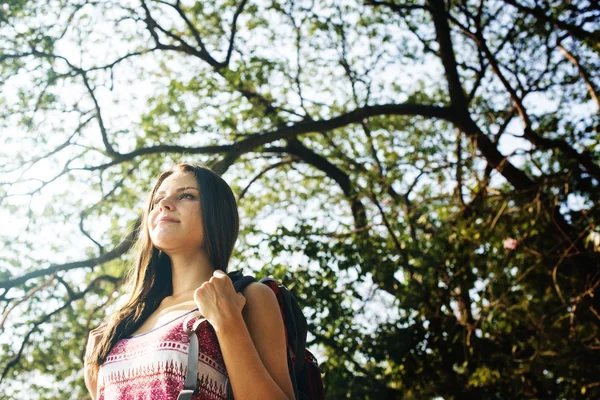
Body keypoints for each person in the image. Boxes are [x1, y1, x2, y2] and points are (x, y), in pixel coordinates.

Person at [84, 162, 295, 400]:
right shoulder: (125, 322)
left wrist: (228, 322)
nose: (164, 205)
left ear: (217, 213)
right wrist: (95, 381)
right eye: (157, 200)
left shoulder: (247, 297)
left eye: (186, 195)